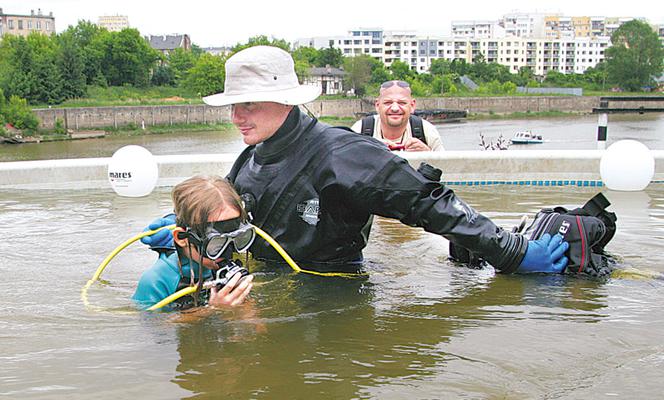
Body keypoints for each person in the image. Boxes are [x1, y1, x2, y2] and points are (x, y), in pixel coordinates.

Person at [143, 45, 568, 275]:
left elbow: (431, 203)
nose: (237, 116)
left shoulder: (347, 155)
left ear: (286, 102)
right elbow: (236, 211)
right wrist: (190, 225)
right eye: (233, 105)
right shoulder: (249, 158)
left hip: (335, 297)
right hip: (266, 285)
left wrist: (512, 252)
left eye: (249, 104)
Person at [133, 175, 254, 310]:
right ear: (182, 238)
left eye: (237, 239)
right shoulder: (155, 281)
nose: (229, 252)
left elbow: (258, 328)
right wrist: (215, 309)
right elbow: (151, 327)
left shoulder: (227, 269)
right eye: (216, 243)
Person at [350, 80, 444, 152]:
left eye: (402, 103)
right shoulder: (360, 130)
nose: (395, 108)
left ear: (412, 105)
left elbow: (446, 173)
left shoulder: (427, 131)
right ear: (377, 106)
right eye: (388, 103)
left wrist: (428, 155)